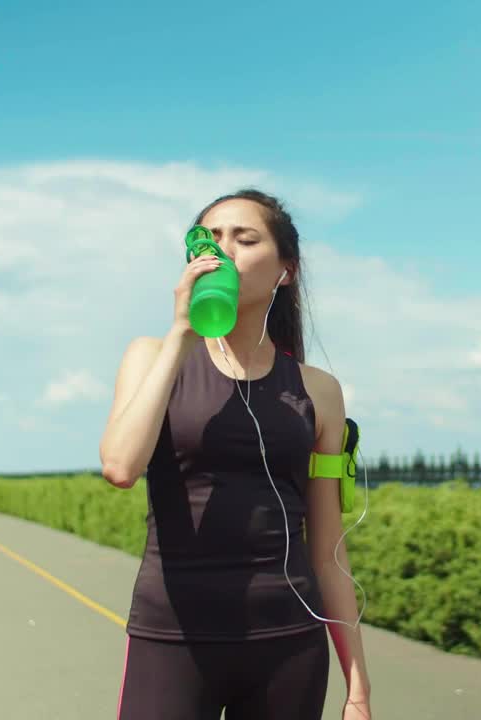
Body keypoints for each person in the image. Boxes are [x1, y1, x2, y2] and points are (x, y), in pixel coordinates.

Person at [99, 189, 372, 720]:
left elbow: (328, 551)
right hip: (173, 636)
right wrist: (183, 330)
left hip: (289, 642)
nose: (222, 251)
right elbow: (120, 467)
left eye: (244, 239)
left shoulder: (319, 391)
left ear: (285, 271)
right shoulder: (152, 356)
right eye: (210, 239)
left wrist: (357, 687)